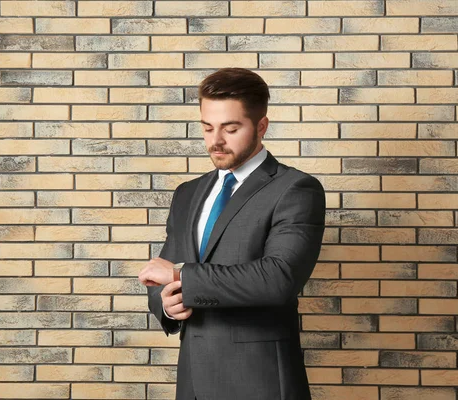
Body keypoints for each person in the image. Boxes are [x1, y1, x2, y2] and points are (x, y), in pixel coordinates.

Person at [138, 67, 326, 400]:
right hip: (194, 382)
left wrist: (181, 275)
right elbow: (163, 275)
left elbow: (279, 279)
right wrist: (166, 305)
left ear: (261, 126)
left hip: (260, 382)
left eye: (231, 128)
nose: (216, 141)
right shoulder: (187, 193)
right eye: (207, 128)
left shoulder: (296, 189)